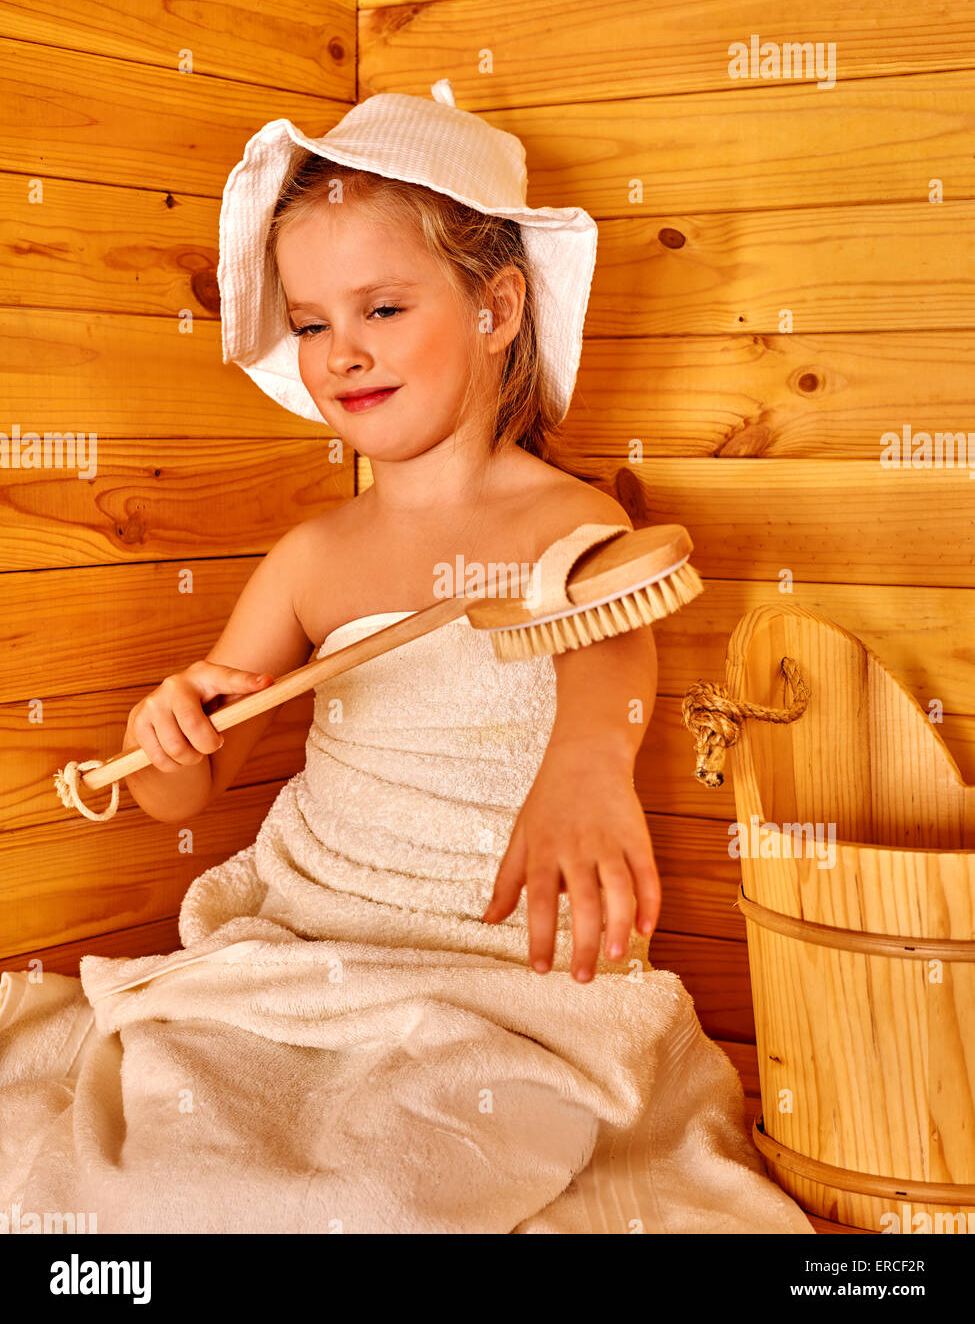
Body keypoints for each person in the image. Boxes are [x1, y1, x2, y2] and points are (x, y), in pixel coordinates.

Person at [0, 83, 814, 1234]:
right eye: (315, 320)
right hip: (306, 940)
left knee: (385, 1192)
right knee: (157, 1165)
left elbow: (609, 640)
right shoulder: (311, 556)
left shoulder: (563, 525)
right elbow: (195, 784)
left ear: (495, 308)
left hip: (495, 972)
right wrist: (168, 732)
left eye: (382, 307)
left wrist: (588, 764)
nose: (343, 352)